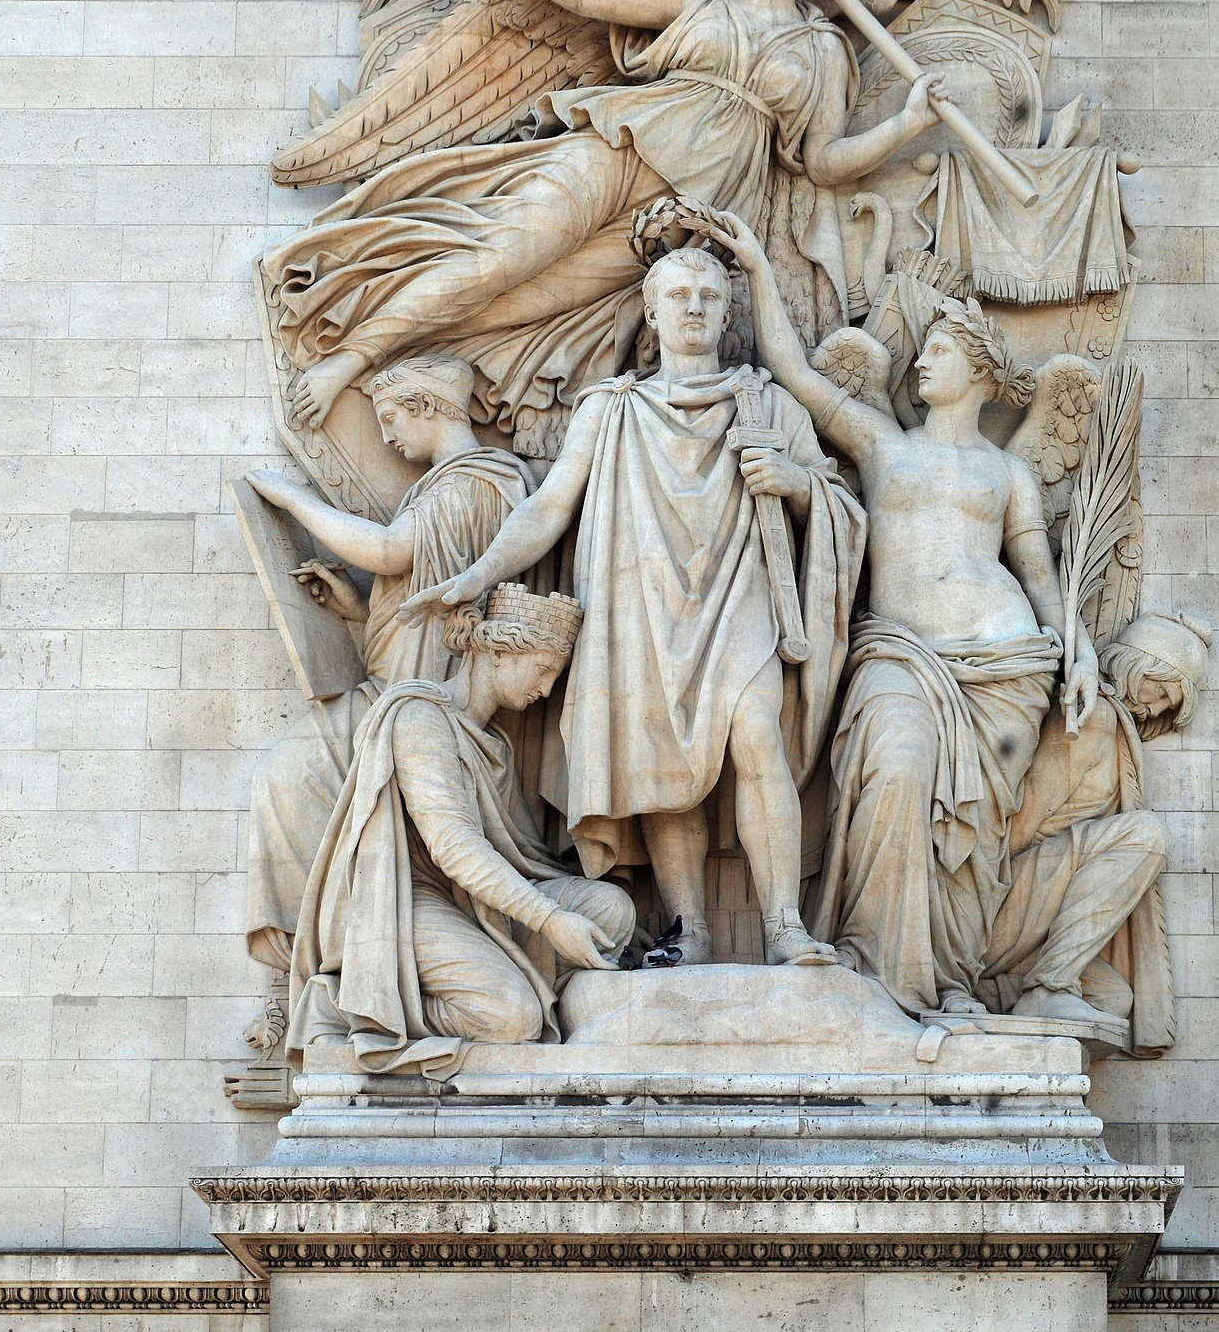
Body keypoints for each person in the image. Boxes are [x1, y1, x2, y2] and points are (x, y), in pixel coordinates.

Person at [261, 0, 950, 454]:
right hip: (623, 145)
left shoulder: (822, 48)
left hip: (683, 218)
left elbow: (823, 163)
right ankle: (347, 357)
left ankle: (404, 373)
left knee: (530, 302)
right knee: (502, 257)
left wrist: (905, 124)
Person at [401, 243, 865, 969]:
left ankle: (785, 927)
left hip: (741, 597)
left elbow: (839, 498)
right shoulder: (612, 409)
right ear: (651, 311)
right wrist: (478, 574)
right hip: (642, 602)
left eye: (709, 297)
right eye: (678, 295)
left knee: (756, 737)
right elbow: (551, 505)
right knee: (661, 761)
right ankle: (690, 929)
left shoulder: (768, 403)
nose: (694, 309)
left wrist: (797, 485)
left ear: (727, 311)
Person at [706, 209, 1098, 1017]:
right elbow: (790, 366)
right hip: (899, 654)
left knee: (972, 835)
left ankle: (947, 978)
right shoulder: (883, 443)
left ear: (982, 370)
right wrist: (754, 265)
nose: (923, 363)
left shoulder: (1008, 474)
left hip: (1005, 662)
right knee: (896, 772)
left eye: (942, 351)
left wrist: (1080, 652)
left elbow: (1038, 574)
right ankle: (882, 973)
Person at [241, 354, 531, 975]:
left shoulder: (477, 481)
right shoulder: (444, 486)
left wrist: (294, 499)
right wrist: (355, 613)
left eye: (392, 418)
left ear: (427, 407)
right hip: (395, 684)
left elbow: (390, 551)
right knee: (290, 780)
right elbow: (415, 588)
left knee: (288, 776)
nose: (389, 436)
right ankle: (323, 957)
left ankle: (322, 960)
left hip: (415, 701)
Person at [288, 585, 636, 1073]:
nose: (546, 690)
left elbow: (519, 855)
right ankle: (365, 1005)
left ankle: (517, 977)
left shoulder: (495, 744)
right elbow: (454, 846)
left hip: (475, 900)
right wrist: (551, 919)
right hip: (407, 899)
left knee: (612, 910)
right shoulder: (420, 718)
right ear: (497, 652)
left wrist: (566, 901)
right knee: (510, 1017)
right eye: (543, 671)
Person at [979, 609, 1209, 1047]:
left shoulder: (1113, 726)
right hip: (1000, 901)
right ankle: (1047, 987)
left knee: (1113, 997)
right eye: (1159, 690)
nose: (1155, 707)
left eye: (1168, 705)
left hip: (1034, 912)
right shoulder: (1094, 718)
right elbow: (1019, 823)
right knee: (1145, 836)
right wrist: (978, 905)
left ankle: (989, 991)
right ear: (1133, 664)